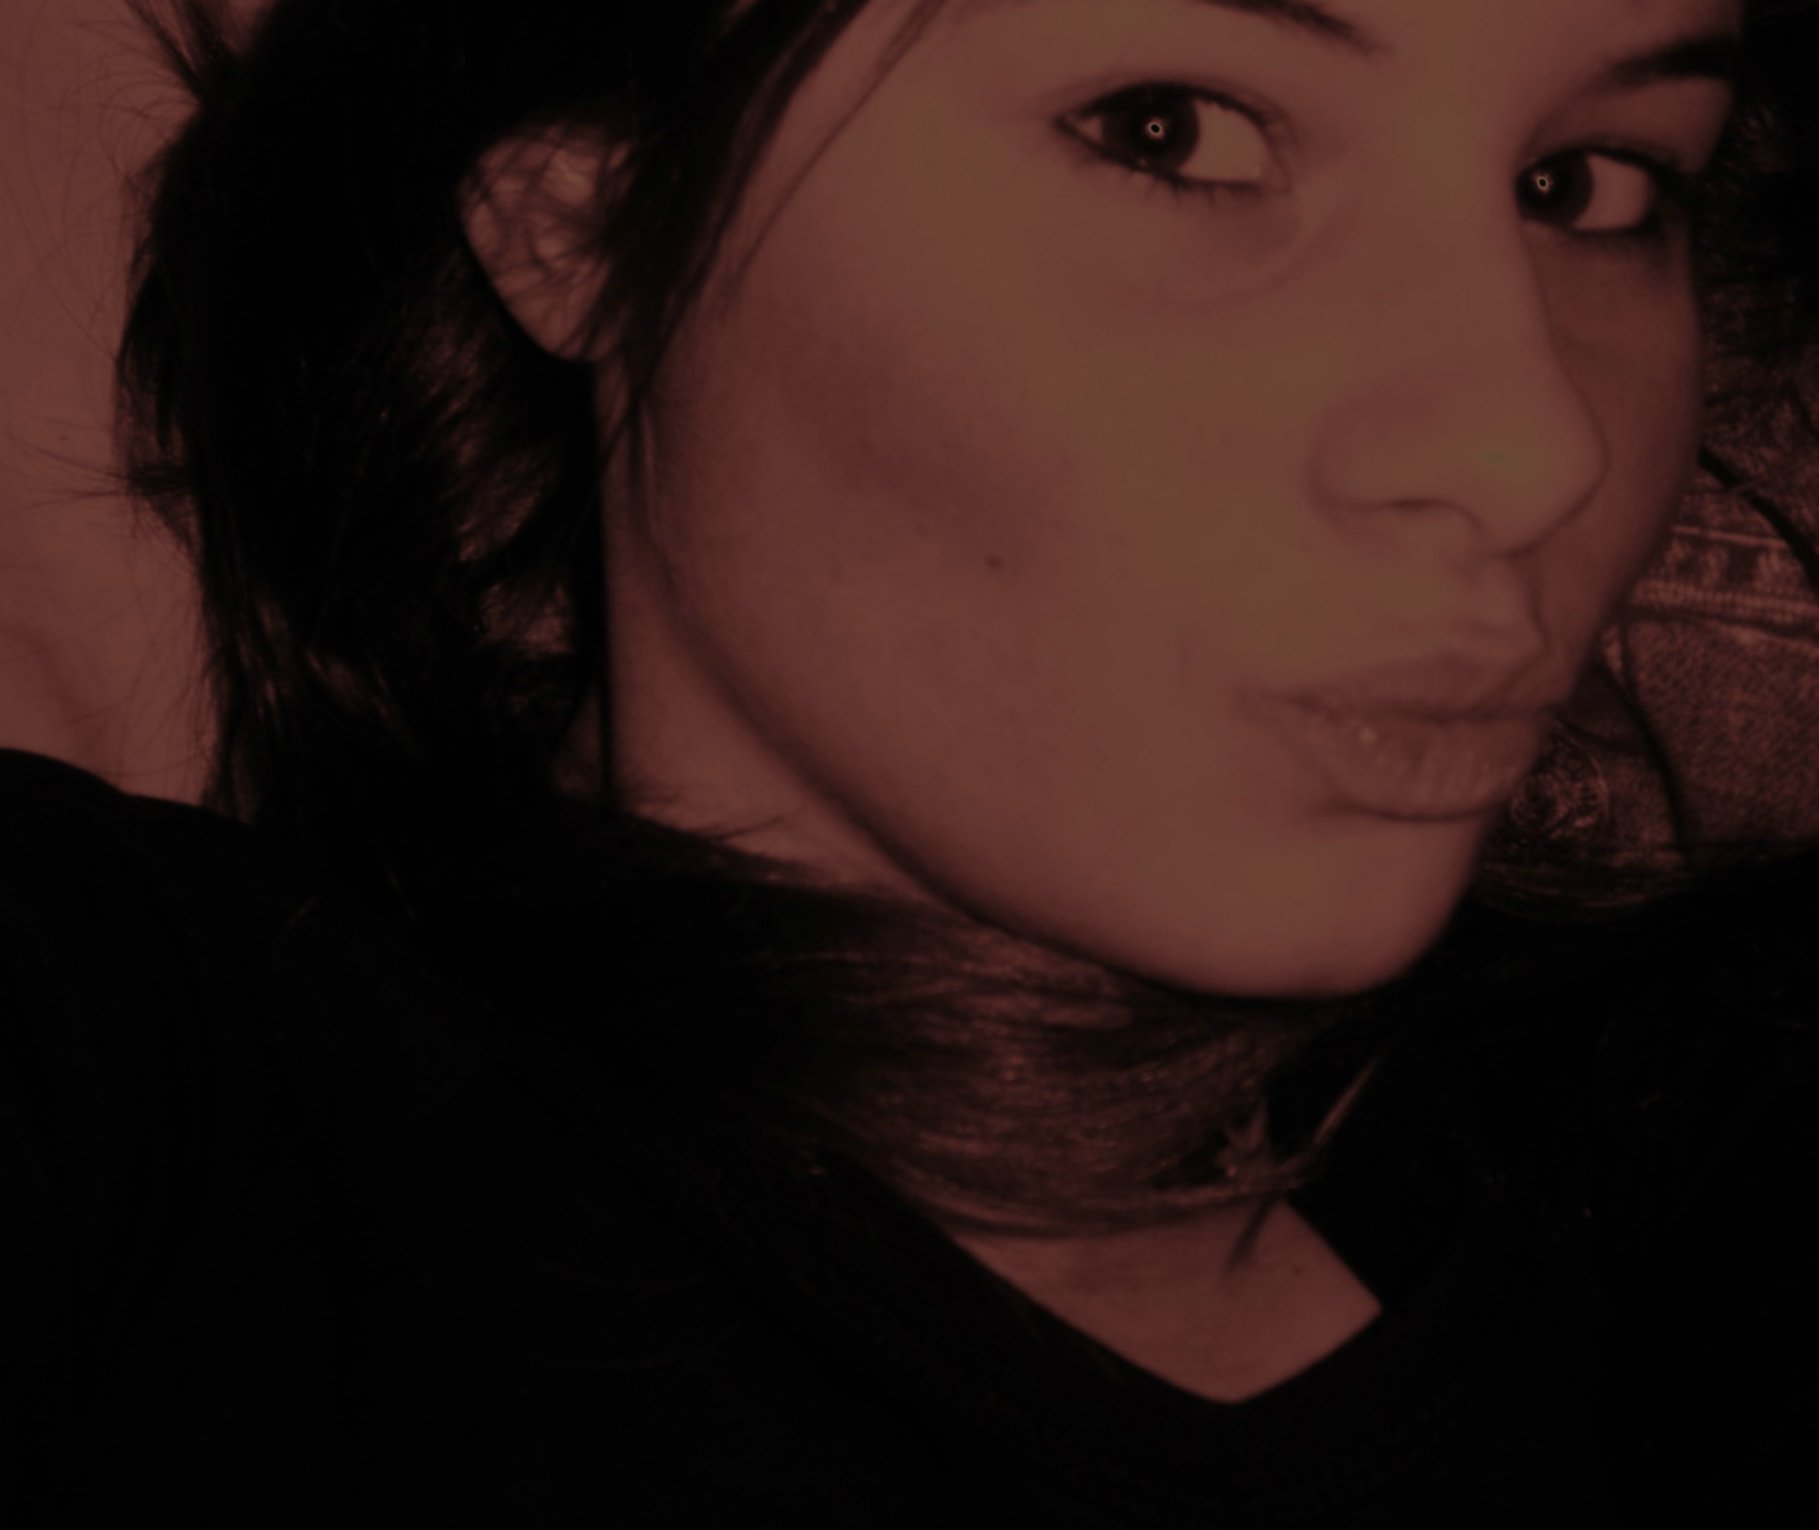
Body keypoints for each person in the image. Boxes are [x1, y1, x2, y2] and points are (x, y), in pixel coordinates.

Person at [3, 0, 1817, 1521]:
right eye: (1173, 131)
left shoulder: (1702, 1139)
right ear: (581, 216)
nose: (1532, 446)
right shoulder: (165, 1098)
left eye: (1589, 185)